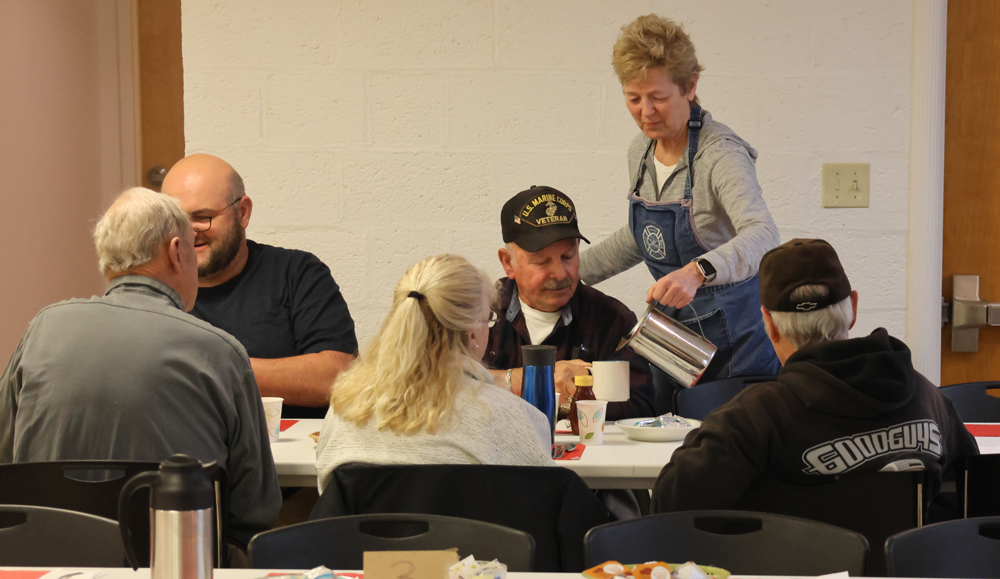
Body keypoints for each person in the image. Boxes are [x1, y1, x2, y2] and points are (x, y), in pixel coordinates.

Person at [0, 188, 281, 547]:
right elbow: (256, 508)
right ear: (177, 252)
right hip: (174, 561)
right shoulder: (219, 351)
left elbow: (6, 462)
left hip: (49, 558)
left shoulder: (42, 329)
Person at [652, 238, 979, 512]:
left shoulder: (755, 415)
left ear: (768, 323)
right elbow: (970, 491)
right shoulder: (926, 396)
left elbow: (670, 503)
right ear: (852, 308)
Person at [579, 15, 781, 400]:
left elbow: (764, 235)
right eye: (633, 98)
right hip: (674, 344)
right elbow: (646, 238)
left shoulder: (720, 154)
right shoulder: (640, 151)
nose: (645, 112)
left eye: (657, 97)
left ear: (690, 87)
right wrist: (572, 275)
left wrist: (698, 271)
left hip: (736, 351)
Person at [315, 254, 553, 492]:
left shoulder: (343, 411)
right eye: (488, 319)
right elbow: (544, 503)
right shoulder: (507, 416)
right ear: (472, 333)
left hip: (357, 530)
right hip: (472, 531)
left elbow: (327, 494)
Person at [162, 154, 358, 419]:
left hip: (291, 454)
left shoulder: (296, 273)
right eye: (176, 220)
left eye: (203, 217)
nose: (189, 232)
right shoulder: (155, 290)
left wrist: (212, 369)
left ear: (242, 212)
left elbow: (337, 375)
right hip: (187, 450)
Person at [484, 186, 655, 421]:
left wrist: (567, 406)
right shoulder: (477, 314)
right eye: (542, 262)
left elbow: (640, 409)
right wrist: (520, 380)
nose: (560, 273)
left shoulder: (612, 319)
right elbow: (439, 385)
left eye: (568, 257)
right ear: (508, 263)